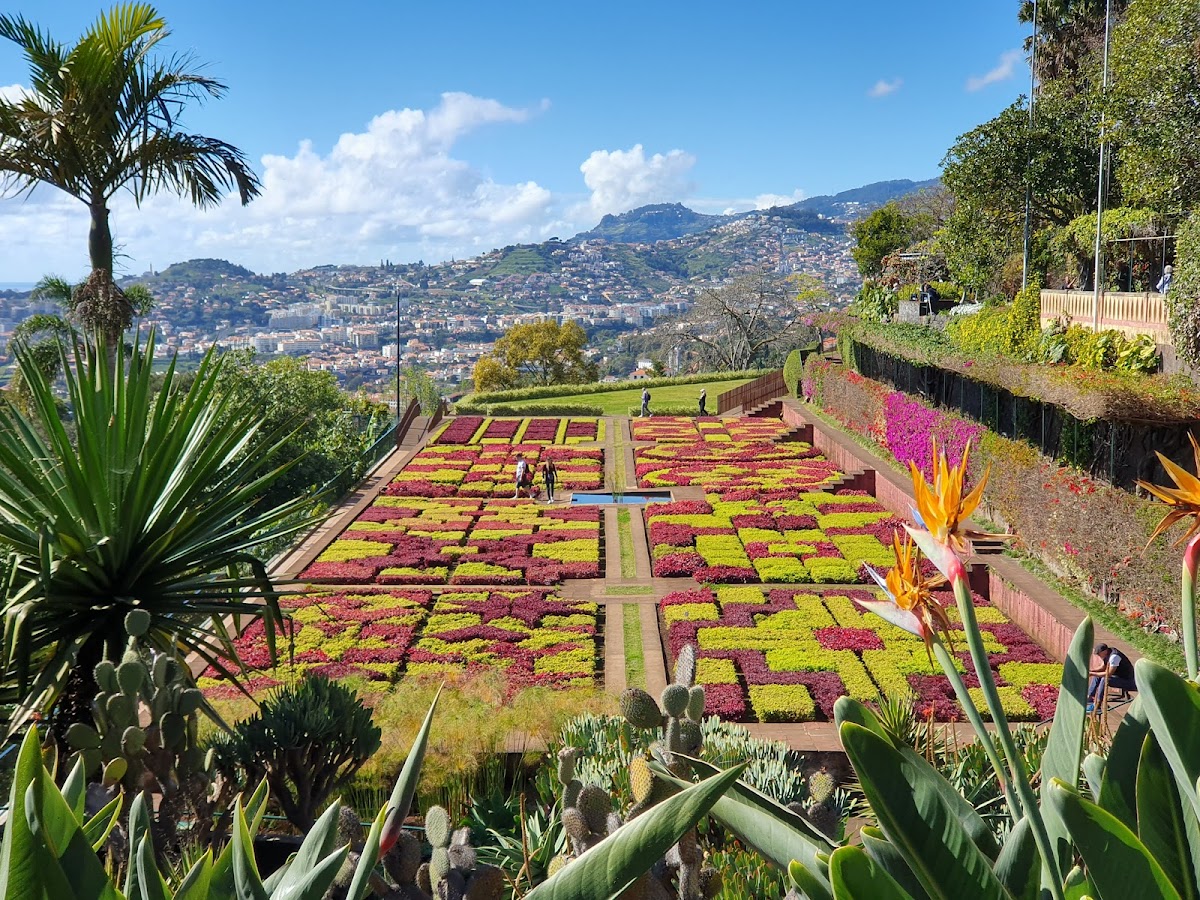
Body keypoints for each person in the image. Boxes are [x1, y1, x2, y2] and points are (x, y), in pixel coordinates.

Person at [1086, 643, 1136, 712]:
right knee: (1097, 676)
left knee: (1104, 679)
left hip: (1128, 681)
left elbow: (1108, 674)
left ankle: (1097, 705)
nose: (1098, 656)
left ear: (1104, 651)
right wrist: (1091, 671)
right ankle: (1090, 696)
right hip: (1118, 677)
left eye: (1099, 654)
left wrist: (1092, 673)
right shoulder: (1107, 654)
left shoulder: (1114, 657)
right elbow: (1103, 667)